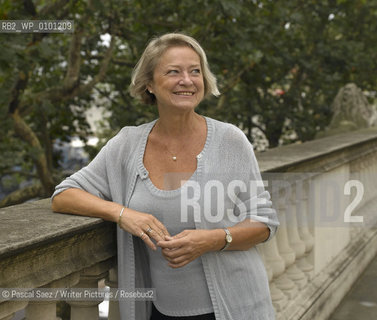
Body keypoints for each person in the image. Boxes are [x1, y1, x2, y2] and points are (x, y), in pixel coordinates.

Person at [52, 32, 279, 320]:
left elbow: (264, 221)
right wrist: (124, 214)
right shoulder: (127, 144)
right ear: (149, 84)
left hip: (236, 307)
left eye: (195, 71)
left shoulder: (230, 141)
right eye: (174, 72)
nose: (187, 80)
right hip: (160, 311)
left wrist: (212, 239)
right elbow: (63, 196)